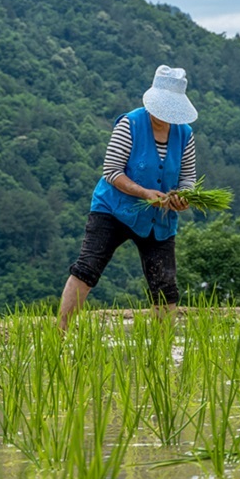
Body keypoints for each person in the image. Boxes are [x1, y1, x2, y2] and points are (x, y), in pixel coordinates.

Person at [58, 65, 198, 330]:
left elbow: (188, 178)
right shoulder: (130, 124)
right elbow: (111, 171)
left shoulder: (185, 135)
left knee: (165, 287)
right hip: (114, 209)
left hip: (159, 218)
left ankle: (161, 348)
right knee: (87, 269)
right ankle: (60, 332)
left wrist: (184, 197)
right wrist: (144, 192)